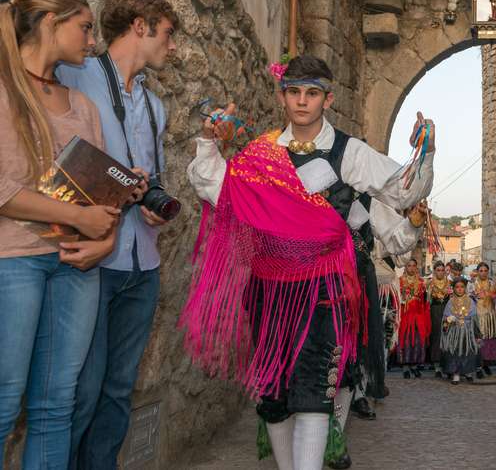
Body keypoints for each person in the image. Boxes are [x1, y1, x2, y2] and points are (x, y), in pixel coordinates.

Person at [182, 54, 434, 470]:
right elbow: (216, 188)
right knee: (274, 394)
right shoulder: (262, 152)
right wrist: (209, 142)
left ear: (327, 99)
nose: (302, 101)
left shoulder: (349, 151)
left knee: (316, 389)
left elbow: (403, 190)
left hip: (326, 288)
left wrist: (424, 150)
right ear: (282, 96)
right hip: (268, 288)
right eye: (294, 92)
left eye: (312, 93)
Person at [56, 0, 179, 469]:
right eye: (167, 33)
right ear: (140, 26)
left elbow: (154, 176)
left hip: (142, 264)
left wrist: (153, 204)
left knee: (117, 392)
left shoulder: (155, 106)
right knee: (81, 393)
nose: (173, 46)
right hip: (91, 259)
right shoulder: (75, 75)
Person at [0, 0, 121, 468]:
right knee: (3, 401)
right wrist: (77, 217)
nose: (92, 41)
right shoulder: (4, 90)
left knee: (57, 407)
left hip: (76, 268)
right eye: (85, 27)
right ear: (52, 21)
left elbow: (102, 194)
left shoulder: (84, 106)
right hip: (13, 262)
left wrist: (106, 240)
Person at [441, 277, 480, 384]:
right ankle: (456, 374)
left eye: (462, 287)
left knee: (468, 352)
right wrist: (448, 319)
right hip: (454, 332)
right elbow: (445, 319)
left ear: (465, 288)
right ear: (453, 288)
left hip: (468, 332)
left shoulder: (470, 301)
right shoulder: (450, 302)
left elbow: (475, 318)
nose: (459, 289)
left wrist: (476, 333)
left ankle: (467, 372)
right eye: (457, 287)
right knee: (455, 352)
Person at [398, 258, 430, 380]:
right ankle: (405, 367)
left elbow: (424, 301)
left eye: (413, 265)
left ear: (416, 267)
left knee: (417, 341)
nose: (411, 268)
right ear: (405, 267)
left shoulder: (421, 282)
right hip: (405, 316)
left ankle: (415, 365)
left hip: (418, 316)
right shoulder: (399, 281)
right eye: (409, 265)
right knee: (405, 340)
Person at [471, 262, 496, 376]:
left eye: (485, 271)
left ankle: (485, 364)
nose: (483, 273)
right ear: (477, 272)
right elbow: (469, 298)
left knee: (489, 341)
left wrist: (489, 294)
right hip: (478, 315)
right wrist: (476, 295)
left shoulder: (492, 283)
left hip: (490, 315)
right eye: (481, 271)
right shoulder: (472, 284)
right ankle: (478, 367)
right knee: (479, 340)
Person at [427, 261, 453, 378]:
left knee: (448, 336)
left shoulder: (450, 283)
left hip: (447, 311)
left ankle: (447, 364)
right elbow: (427, 301)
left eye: (442, 270)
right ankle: (437, 365)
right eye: (438, 270)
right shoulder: (429, 283)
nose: (440, 272)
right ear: (434, 271)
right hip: (435, 312)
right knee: (436, 336)